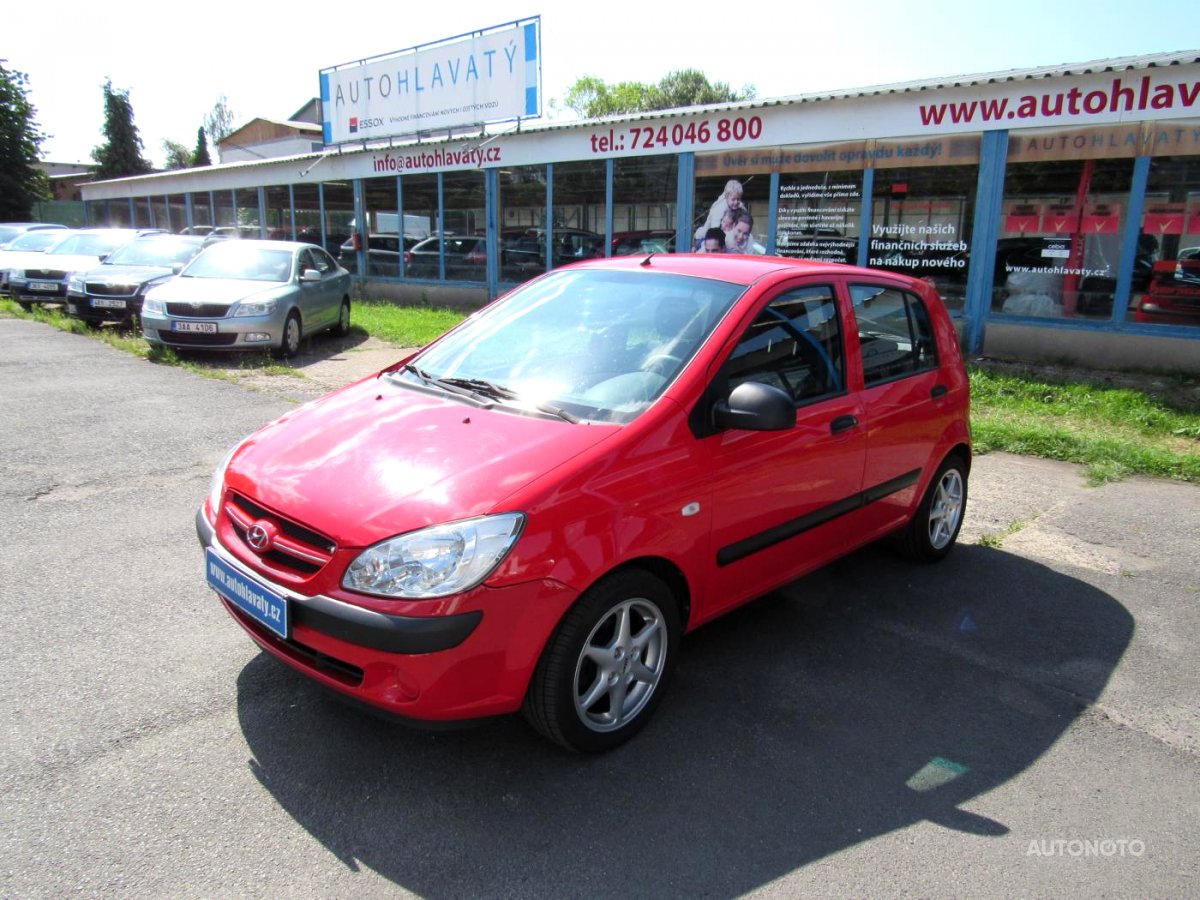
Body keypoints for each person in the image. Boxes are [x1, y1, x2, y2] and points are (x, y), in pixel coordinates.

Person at [693, 179, 745, 246]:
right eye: (733, 199)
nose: (736, 202)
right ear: (726, 197)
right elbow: (714, 232)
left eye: (738, 199)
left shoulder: (739, 205)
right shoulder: (719, 208)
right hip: (704, 237)